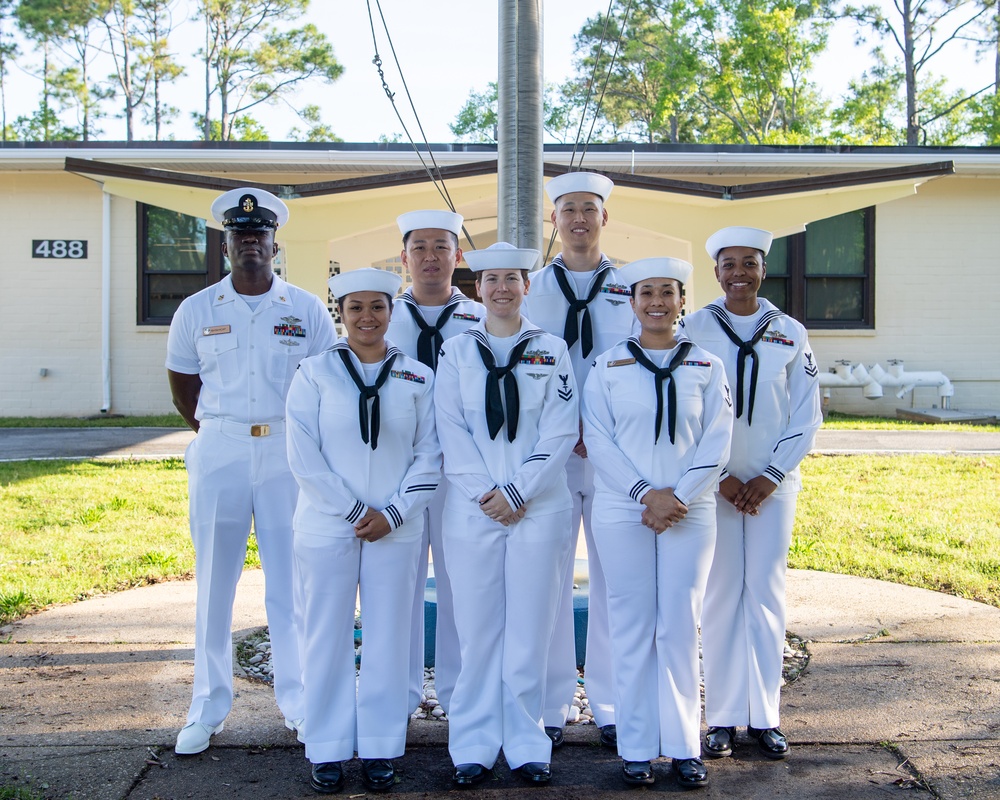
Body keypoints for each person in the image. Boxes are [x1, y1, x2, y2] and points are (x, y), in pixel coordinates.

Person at [165, 187, 336, 755]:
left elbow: (327, 386)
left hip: (289, 452)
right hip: (222, 449)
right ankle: (207, 708)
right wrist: (222, 431)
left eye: (259, 234)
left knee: (293, 583)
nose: (250, 244)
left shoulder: (306, 308)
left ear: (274, 242)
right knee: (215, 581)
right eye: (240, 236)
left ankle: (301, 703)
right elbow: (184, 386)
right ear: (226, 244)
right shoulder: (196, 310)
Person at [285, 267, 441, 794]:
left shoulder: (418, 376)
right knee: (324, 632)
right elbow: (303, 454)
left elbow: (430, 454)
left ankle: (380, 745)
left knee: (389, 634)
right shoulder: (313, 373)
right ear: (341, 314)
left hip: (396, 527)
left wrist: (393, 512)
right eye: (356, 307)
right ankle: (325, 746)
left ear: (391, 312)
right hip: (328, 524)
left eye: (377, 306)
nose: (367, 317)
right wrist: (354, 511)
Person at [582, 257, 732, 789]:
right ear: (632, 301)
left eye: (667, 293)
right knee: (631, 622)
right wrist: (647, 493)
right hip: (624, 509)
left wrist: (677, 495)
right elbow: (597, 438)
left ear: (681, 300)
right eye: (646, 293)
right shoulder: (606, 366)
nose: (656, 303)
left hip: (691, 511)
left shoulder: (708, 366)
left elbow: (717, 441)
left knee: (677, 624)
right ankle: (638, 746)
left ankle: (684, 745)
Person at [434, 242, 578, 787]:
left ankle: (525, 742)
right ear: (477, 288)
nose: (501, 288)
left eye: (512, 279)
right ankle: (472, 743)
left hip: (538, 508)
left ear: (526, 286)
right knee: (476, 630)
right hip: (473, 510)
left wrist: (518, 491)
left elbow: (561, 429)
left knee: (529, 628)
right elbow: (450, 429)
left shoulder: (552, 349)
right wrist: (487, 493)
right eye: (490, 279)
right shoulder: (457, 352)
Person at [678, 226, 822, 762]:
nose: (739, 273)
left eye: (750, 263)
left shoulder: (790, 332)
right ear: (716, 272)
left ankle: (765, 716)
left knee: (764, 595)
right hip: (712, 485)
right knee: (718, 596)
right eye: (729, 264)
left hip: (770, 485)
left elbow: (806, 415)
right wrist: (719, 477)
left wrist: (770, 476)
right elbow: (687, 415)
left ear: (764, 269)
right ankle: (721, 717)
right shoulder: (693, 328)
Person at [520, 171, 634, 749]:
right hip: (552, 455)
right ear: (555, 220)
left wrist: (603, 431)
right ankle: (550, 705)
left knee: (615, 578)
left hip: (616, 455)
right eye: (569, 210)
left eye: (590, 209)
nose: (580, 220)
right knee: (549, 577)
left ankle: (613, 704)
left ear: (605, 218)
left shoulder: (635, 288)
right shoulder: (530, 289)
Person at [385, 209, 485, 718]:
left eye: (441, 247)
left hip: (462, 470)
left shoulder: (482, 318)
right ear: (403, 257)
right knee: (399, 582)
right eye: (419, 247)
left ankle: (457, 696)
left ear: (458, 255)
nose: (430, 257)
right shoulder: (384, 317)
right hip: (397, 471)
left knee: (459, 582)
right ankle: (400, 697)